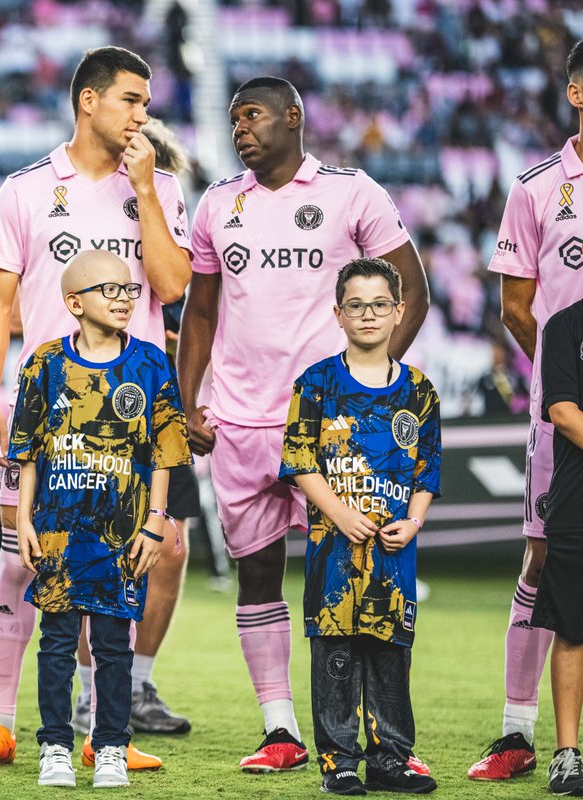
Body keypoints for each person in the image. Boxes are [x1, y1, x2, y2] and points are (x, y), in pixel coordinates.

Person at [176, 76, 429, 772]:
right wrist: (184, 399)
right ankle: (280, 729)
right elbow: (199, 312)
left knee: (355, 576)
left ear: (293, 117)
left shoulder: (353, 192)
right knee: (257, 576)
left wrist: (365, 391)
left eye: (252, 115)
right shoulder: (217, 203)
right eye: (233, 120)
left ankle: (377, 739)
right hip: (238, 423)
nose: (240, 129)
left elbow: (414, 292)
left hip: (331, 430)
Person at [0, 45, 194, 771]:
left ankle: (102, 730)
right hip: (49, 411)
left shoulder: (155, 186)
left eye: (147, 103)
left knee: (140, 559)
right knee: (23, 561)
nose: (142, 114)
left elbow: (172, 282)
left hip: (132, 413)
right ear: (88, 100)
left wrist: (148, 194)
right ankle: (0, 723)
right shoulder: (26, 188)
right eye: (131, 99)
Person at [10, 250, 189, 789]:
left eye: (128, 290)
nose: (123, 299)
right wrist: (23, 519)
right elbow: (28, 451)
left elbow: (165, 452)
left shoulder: (152, 362)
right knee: (57, 642)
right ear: (73, 302)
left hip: (124, 532)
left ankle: (111, 746)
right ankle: (55, 749)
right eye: (108, 290)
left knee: (115, 643)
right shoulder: (44, 363)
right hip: (59, 532)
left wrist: (155, 522)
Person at [279, 258, 440, 796]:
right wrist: (340, 513)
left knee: (391, 656)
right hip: (333, 557)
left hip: (393, 562)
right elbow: (300, 461)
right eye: (356, 305)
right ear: (338, 314)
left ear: (398, 312)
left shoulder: (419, 392)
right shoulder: (316, 382)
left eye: (379, 305)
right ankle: (339, 763)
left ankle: (391, 760)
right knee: (335, 658)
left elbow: (427, 470)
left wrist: (414, 521)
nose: (367, 314)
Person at [470, 39, 583, 782]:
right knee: (545, 559)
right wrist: (567, 376)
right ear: (577, 93)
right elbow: (516, 307)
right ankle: (519, 734)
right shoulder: (541, 187)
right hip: (565, 412)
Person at [73, 115, 200, 738]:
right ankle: (89, 690)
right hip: (95, 401)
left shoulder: (160, 200)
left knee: (170, 550)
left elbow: (181, 290)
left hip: (158, 399)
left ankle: (138, 681)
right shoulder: (72, 205)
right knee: (91, 549)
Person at [531, 295, 583, 796]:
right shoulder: (566, 325)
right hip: (578, 502)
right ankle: (567, 755)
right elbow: (564, 412)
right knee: (573, 627)